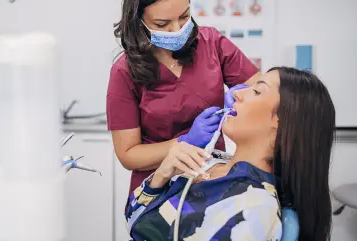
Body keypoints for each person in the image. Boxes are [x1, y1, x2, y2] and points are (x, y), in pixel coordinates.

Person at [125, 67, 335, 241]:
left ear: (282, 122)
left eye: (257, 91)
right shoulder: (209, 161)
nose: (236, 93)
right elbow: (133, 221)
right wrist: (161, 176)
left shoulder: (255, 210)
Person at [107, 0, 261, 195]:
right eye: (162, 23)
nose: (177, 29)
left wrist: (245, 98)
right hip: (158, 190)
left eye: (184, 16)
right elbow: (128, 154)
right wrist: (184, 141)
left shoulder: (212, 44)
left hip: (213, 178)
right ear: (137, 19)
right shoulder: (124, 72)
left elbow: (266, 94)